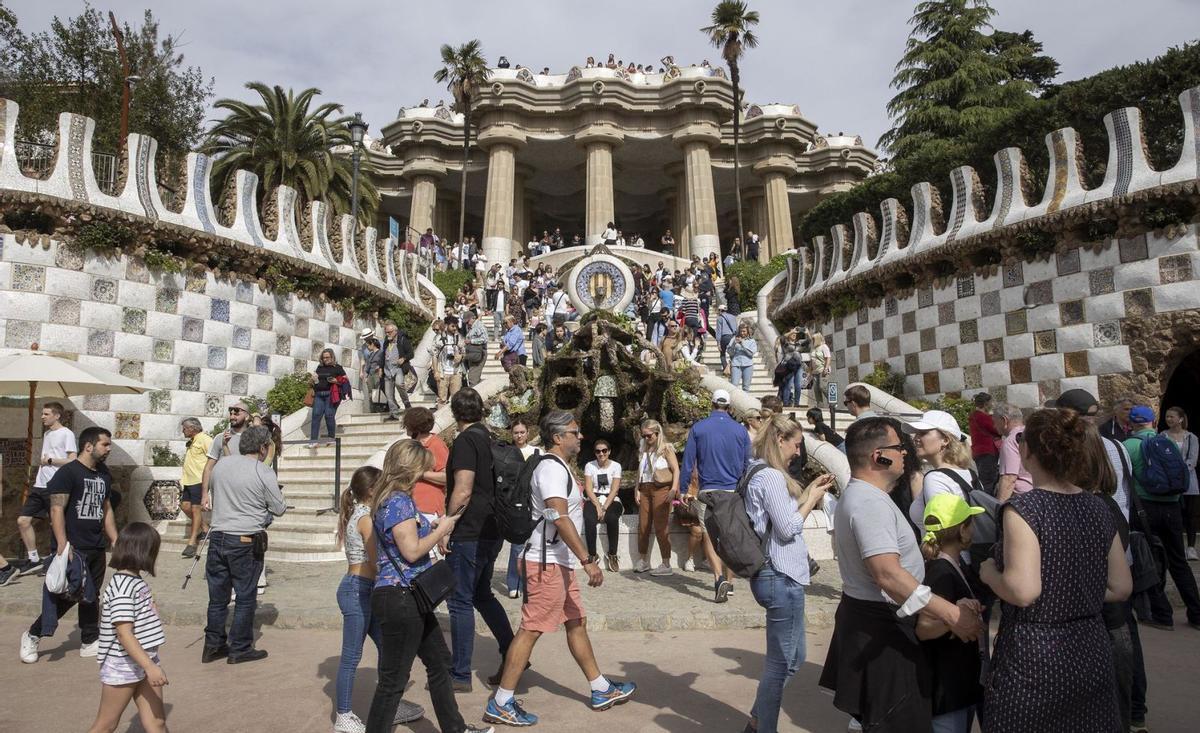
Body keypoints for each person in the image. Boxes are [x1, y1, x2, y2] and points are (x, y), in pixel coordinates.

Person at [819, 417, 982, 732]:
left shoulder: (868, 497)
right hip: (884, 630)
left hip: (881, 624)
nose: (905, 453)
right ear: (878, 455)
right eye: (898, 448)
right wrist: (950, 613)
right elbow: (888, 575)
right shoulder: (868, 502)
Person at [980, 409, 1131, 732]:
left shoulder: (1024, 509)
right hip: (1090, 645)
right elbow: (1120, 587)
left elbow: (1023, 590)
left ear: (1029, 451)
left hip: (1036, 653)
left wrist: (990, 573)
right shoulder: (1098, 506)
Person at [483, 411, 636, 726]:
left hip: (556, 561)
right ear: (557, 437)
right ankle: (501, 702)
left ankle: (600, 687)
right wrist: (587, 559)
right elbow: (559, 517)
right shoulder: (552, 470)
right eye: (574, 432)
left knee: (575, 622)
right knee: (531, 629)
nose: (580, 437)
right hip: (546, 562)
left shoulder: (559, 467)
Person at [366, 441, 492, 733]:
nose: (425, 473)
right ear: (410, 468)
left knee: (439, 663)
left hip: (406, 595)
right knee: (393, 682)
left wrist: (434, 529)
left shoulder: (385, 499)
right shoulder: (399, 501)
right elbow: (411, 551)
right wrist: (442, 530)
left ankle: (455, 729)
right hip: (401, 597)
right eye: (422, 467)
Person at [740, 414, 834, 733]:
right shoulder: (770, 478)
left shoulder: (758, 472)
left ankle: (757, 718)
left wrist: (808, 491)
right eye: (796, 444)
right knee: (781, 664)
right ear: (780, 440)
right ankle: (763, 726)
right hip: (780, 575)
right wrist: (813, 501)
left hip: (774, 574)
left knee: (795, 657)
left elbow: (779, 517)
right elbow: (787, 527)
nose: (798, 451)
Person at [334, 465, 425, 732]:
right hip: (357, 589)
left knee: (389, 649)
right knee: (352, 656)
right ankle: (343, 715)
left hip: (364, 589)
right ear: (373, 490)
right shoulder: (365, 518)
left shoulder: (363, 514)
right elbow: (376, 562)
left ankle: (391, 705)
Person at [20, 427, 119, 664]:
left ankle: (89, 639)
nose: (108, 449)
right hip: (73, 547)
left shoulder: (104, 473)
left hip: (96, 545)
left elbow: (106, 508)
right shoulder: (68, 473)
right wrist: (63, 545)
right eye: (105, 444)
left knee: (92, 594)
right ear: (89, 446)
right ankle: (33, 634)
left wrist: (115, 538)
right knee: (66, 596)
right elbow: (56, 510)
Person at [444, 389, 516, 691]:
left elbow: (463, 488)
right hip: (492, 527)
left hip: (470, 529)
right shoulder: (488, 438)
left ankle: (460, 673)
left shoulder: (464, 440)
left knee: (460, 600)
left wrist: (447, 526)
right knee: (481, 595)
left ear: (454, 412)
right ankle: (514, 654)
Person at [201, 426, 286, 665]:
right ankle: (240, 647)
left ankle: (213, 645)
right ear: (262, 447)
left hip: (218, 536)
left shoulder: (221, 467)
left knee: (217, 597)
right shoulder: (263, 471)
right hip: (245, 539)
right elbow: (279, 508)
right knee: (245, 596)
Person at [1123, 405, 1200, 630]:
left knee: (1149, 561)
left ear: (1132, 424)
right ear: (1153, 422)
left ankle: (1161, 614)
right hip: (1173, 506)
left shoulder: (1129, 445)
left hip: (1145, 509)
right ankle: (1196, 613)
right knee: (1178, 561)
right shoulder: (1166, 442)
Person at [87, 523, 168, 733]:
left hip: (143, 659)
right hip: (123, 664)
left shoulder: (134, 581)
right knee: (106, 725)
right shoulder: (123, 586)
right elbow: (123, 633)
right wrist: (150, 667)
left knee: (157, 722)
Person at [917, 495, 984, 733]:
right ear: (962, 531)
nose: (974, 529)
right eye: (971, 523)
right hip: (947, 690)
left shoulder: (953, 565)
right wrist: (955, 618)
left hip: (959, 686)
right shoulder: (941, 572)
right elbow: (923, 629)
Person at [680, 389, 752, 601]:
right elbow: (747, 463)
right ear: (729, 407)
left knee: (709, 536)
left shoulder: (699, 428)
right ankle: (729, 583)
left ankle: (718, 577)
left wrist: (683, 488)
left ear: (711, 405)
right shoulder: (740, 431)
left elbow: (688, 461)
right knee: (729, 537)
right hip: (732, 491)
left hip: (707, 490)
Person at [14, 402, 77, 576]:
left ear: (57, 416)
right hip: (39, 485)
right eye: (42, 414)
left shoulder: (67, 434)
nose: (42, 417)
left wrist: (51, 461)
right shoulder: (48, 433)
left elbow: (73, 460)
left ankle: (57, 563)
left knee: (56, 524)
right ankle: (34, 559)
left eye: (46, 414)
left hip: (56, 486)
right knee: (23, 521)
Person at [901, 410, 974, 528]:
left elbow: (942, 531)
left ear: (945, 440)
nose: (915, 438)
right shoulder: (970, 473)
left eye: (923, 433)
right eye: (916, 433)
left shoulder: (935, 478)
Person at [634, 419, 680, 576]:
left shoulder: (666, 448)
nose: (646, 438)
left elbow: (676, 470)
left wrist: (673, 489)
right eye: (644, 435)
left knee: (661, 526)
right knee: (643, 525)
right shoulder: (643, 448)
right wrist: (637, 489)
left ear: (657, 433)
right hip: (645, 488)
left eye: (649, 436)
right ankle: (643, 560)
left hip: (661, 488)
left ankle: (666, 563)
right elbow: (640, 471)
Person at [505, 420, 541, 598]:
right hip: (515, 502)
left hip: (533, 502)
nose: (519, 435)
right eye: (516, 432)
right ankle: (514, 582)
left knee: (534, 544)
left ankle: (531, 582)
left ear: (528, 433)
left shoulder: (537, 452)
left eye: (522, 432)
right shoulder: (508, 453)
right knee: (517, 544)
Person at [1162, 406, 1200, 560]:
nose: (1168, 419)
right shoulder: (1162, 436)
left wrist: (1180, 471)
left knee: (1191, 515)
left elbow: (1193, 459)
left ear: (1181, 419)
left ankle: (1191, 547)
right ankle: (1176, 547)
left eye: (1171, 416)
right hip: (1170, 481)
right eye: (1167, 417)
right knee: (1174, 515)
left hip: (1189, 481)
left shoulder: (1191, 437)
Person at [584, 440, 623, 572]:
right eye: (598, 451)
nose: (601, 453)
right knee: (589, 519)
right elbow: (588, 489)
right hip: (594, 497)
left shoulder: (616, 466)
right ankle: (593, 554)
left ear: (609, 451)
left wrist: (604, 507)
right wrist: (597, 506)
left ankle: (612, 554)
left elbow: (614, 489)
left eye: (604, 450)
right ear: (595, 453)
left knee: (612, 518)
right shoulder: (590, 465)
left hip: (611, 499)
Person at [179, 418, 213, 558]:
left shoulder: (205, 439)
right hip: (188, 480)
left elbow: (213, 458)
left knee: (195, 508)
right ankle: (205, 528)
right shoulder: (193, 440)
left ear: (192, 428)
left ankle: (192, 543)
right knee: (185, 507)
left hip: (199, 480)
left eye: (185, 428)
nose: (183, 430)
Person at [992, 402, 1033, 502]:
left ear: (1004, 420)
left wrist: (998, 509)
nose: (994, 426)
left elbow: (1009, 478)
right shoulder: (1032, 433)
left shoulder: (1010, 441)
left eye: (995, 421)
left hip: (1022, 498)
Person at [310, 348, 349, 447]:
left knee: (329, 415)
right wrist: (314, 379)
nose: (325, 359)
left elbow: (346, 381)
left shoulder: (338, 368)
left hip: (331, 394)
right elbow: (316, 380)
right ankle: (313, 441)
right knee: (316, 415)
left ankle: (331, 438)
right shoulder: (319, 367)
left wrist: (336, 381)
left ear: (332, 357)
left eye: (327, 357)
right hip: (319, 394)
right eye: (323, 358)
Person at [380, 321, 415, 420]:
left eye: (389, 332)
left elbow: (411, 353)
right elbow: (383, 355)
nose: (387, 334)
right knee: (388, 393)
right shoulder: (386, 342)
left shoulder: (403, 340)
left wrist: (403, 359)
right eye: (386, 332)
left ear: (395, 331)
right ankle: (393, 413)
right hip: (387, 370)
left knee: (399, 384)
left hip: (398, 368)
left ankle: (407, 403)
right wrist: (380, 368)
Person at [968, 393, 1002, 495]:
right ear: (986, 404)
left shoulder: (974, 416)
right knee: (989, 482)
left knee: (985, 480)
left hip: (978, 452)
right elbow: (997, 429)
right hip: (987, 451)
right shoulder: (982, 417)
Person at [433, 316, 465, 407]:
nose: (455, 328)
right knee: (442, 399)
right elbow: (434, 355)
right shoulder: (438, 338)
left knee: (456, 399)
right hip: (443, 372)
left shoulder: (459, 337)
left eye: (456, 326)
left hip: (456, 372)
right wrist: (436, 371)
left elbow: (464, 352)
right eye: (453, 326)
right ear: (446, 326)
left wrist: (461, 356)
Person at [729, 322, 757, 392]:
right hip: (736, 364)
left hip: (748, 365)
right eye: (741, 331)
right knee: (733, 385)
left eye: (744, 331)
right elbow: (730, 353)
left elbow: (751, 354)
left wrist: (742, 344)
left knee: (746, 387)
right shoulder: (734, 339)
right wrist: (733, 344)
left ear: (748, 331)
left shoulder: (752, 341)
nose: (742, 333)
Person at [809, 333, 831, 408]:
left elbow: (828, 358)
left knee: (823, 387)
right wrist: (810, 370)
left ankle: (832, 401)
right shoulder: (814, 348)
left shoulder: (824, 347)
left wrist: (826, 368)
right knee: (816, 389)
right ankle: (820, 405)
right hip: (815, 371)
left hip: (822, 370)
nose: (812, 341)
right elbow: (812, 360)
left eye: (814, 339)